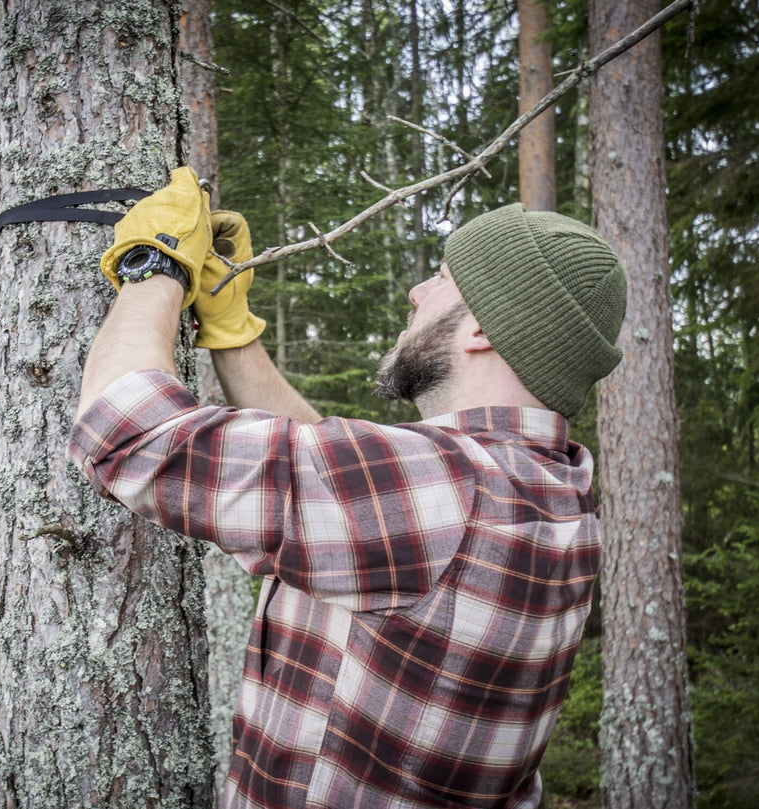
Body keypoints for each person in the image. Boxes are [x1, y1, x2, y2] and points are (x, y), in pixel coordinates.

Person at [69, 167, 627, 808]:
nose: (418, 292)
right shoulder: (554, 490)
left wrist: (154, 266)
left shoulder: (446, 490)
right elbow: (348, 499)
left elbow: (126, 431)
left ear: (481, 331)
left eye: (443, 280)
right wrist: (233, 334)